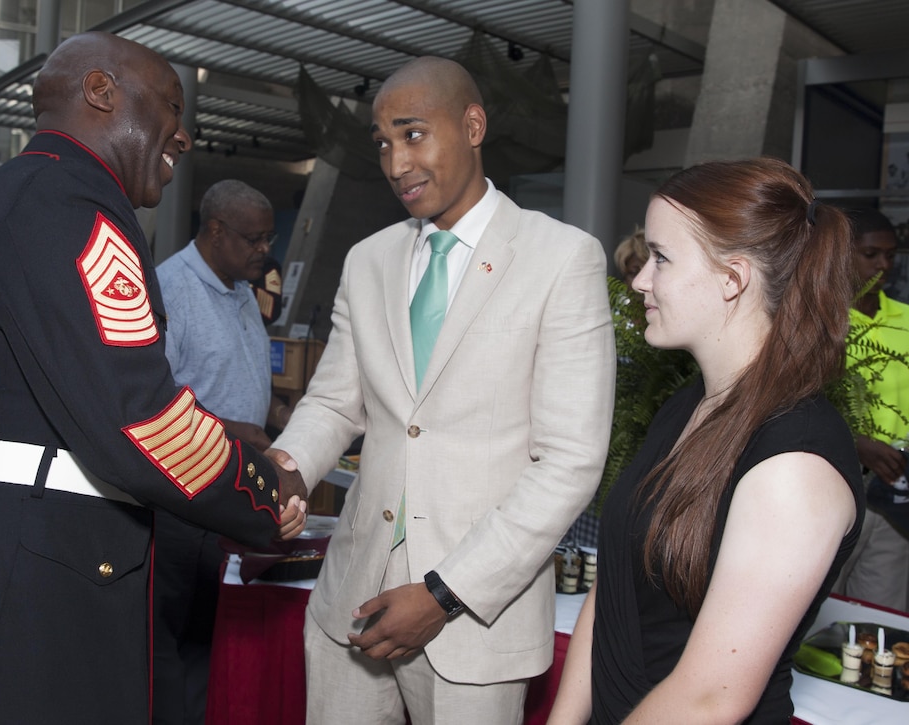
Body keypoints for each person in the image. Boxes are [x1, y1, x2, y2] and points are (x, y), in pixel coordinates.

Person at [0, 31, 306, 724]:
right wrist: (264, 494)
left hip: (0, 538)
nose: (180, 136)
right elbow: (141, 418)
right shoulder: (74, 206)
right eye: (171, 108)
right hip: (36, 567)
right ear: (100, 92)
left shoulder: (19, 192)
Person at [267, 56, 615, 723]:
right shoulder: (369, 260)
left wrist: (444, 592)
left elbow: (569, 461)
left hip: (477, 622)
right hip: (351, 603)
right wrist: (286, 467)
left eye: (414, 134)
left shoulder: (561, 257)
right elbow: (336, 400)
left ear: (473, 125)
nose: (397, 163)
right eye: (383, 143)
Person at [547, 158, 864, 725]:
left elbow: (710, 698)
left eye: (662, 258)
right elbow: (615, 587)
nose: (640, 278)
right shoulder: (691, 404)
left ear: (732, 278)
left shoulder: (795, 462)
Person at [152, 179, 282, 724]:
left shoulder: (240, 290)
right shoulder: (169, 289)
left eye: (268, 239)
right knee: (176, 636)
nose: (264, 251)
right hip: (185, 497)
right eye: (253, 239)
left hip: (237, 492)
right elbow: (151, 402)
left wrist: (275, 421)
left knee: (217, 630)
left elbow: (235, 376)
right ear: (215, 230)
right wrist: (238, 432)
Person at [833, 207, 909, 612]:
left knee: (880, 617)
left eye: (891, 254)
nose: (884, 264)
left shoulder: (907, 320)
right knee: (811, 608)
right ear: (844, 254)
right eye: (871, 254)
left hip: (895, 493)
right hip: (837, 483)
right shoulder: (821, 322)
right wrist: (855, 442)